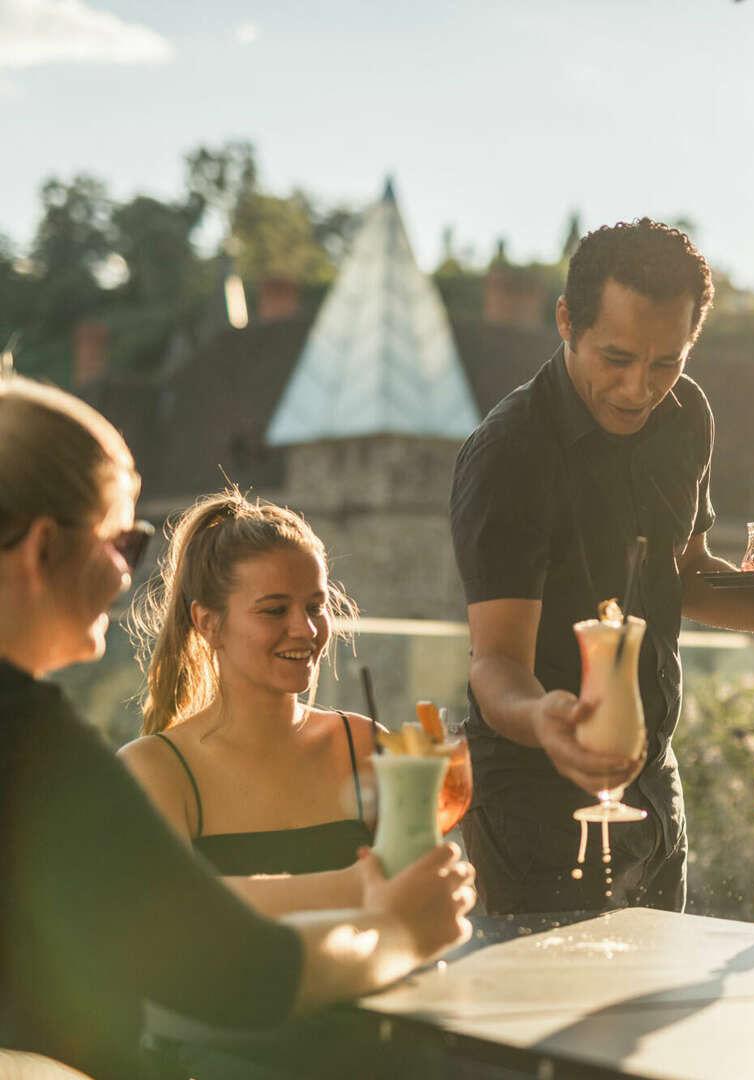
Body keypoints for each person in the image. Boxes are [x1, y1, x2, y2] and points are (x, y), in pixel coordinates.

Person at [0, 375, 476, 1078]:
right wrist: (398, 928)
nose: (128, 576)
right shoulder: (35, 746)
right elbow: (239, 973)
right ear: (43, 550)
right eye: (123, 544)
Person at [450, 218, 754, 914]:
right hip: (531, 796)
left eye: (666, 363)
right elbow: (495, 665)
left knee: (651, 1014)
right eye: (617, 358)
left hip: (654, 783)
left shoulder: (688, 416)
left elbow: (685, 577)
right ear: (566, 320)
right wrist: (544, 719)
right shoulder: (509, 454)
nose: (639, 388)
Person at [118, 490, 382, 916]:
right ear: (208, 623)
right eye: (275, 611)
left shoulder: (366, 744)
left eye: (316, 606)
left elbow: (418, 899)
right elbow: (163, 919)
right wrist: (357, 887)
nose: (306, 629)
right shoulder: (155, 769)